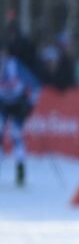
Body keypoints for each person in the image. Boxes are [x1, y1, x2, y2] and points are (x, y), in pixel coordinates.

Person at [0, 51, 40, 186]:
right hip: (3, 103)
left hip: (18, 103)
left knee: (16, 134)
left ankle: (20, 168)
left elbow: (34, 84)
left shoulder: (15, 65)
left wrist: (31, 104)